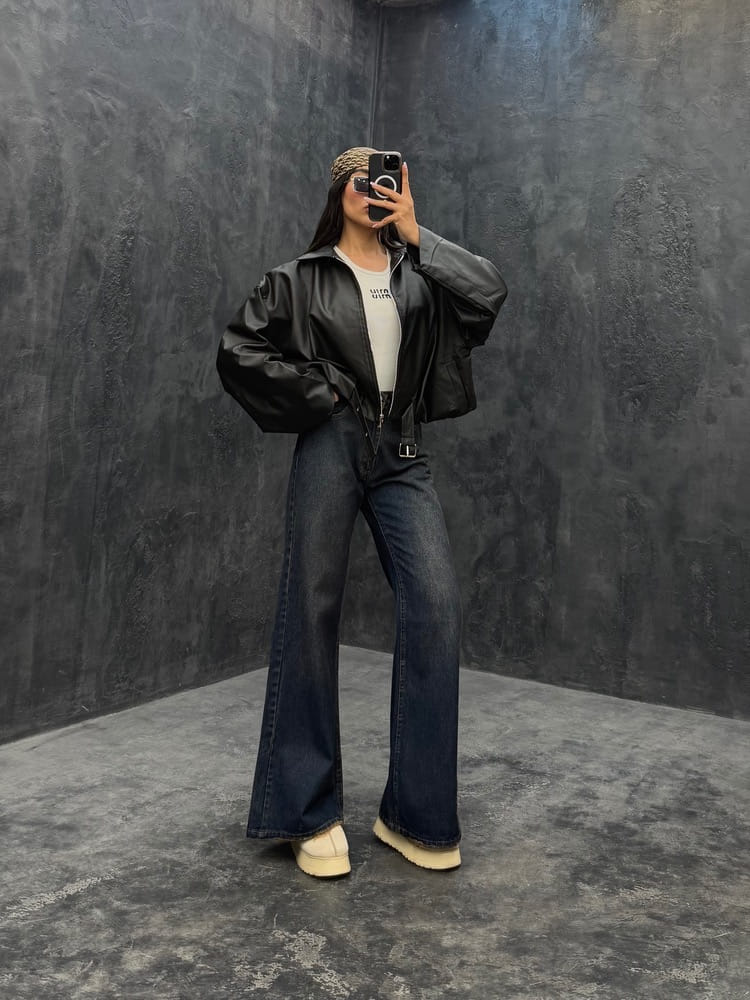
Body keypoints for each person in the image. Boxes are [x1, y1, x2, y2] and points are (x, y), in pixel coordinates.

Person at [216, 146, 507, 878]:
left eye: (381, 178)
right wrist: (322, 393)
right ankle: (306, 812)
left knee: (436, 607)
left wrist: (417, 231)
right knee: (310, 609)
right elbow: (239, 350)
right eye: (356, 178)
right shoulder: (301, 278)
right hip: (331, 442)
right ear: (337, 191)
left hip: (401, 452)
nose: (368, 187)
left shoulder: (419, 275)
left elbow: (488, 294)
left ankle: (416, 814)